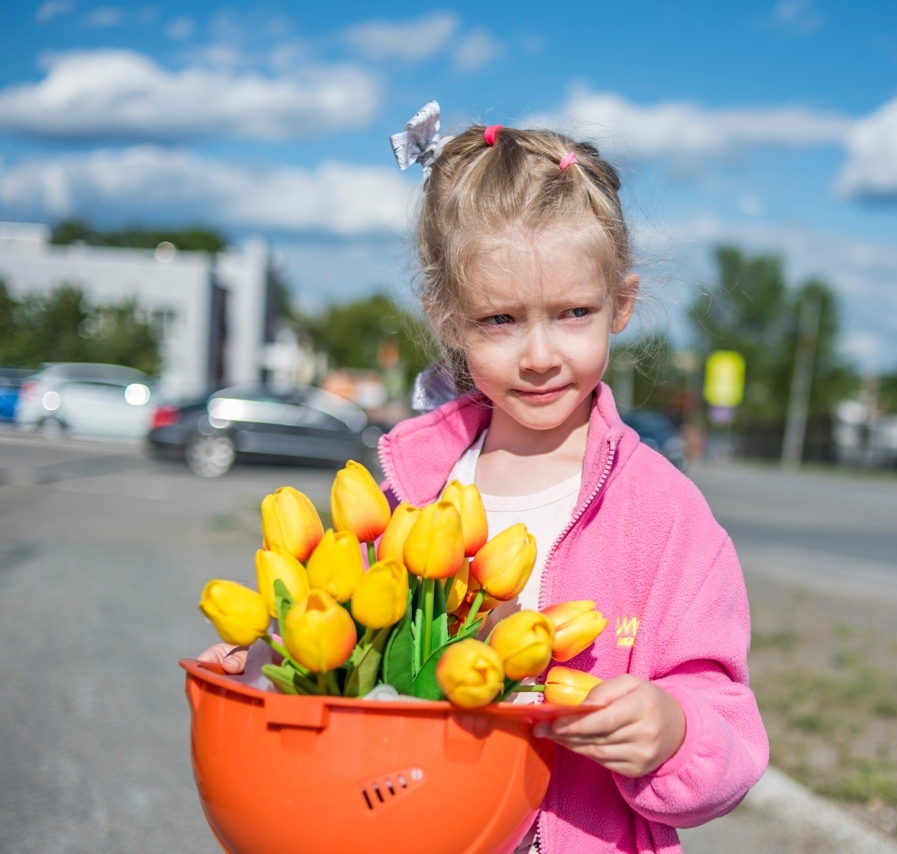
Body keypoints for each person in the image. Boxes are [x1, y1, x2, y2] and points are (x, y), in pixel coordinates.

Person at [203, 102, 769, 853]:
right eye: (500, 321)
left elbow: (728, 721)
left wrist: (675, 730)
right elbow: (351, 660)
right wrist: (271, 669)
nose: (539, 354)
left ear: (621, 307)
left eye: (572, 313)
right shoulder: (411, 493)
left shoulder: (664, 516)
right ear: (448, 319)